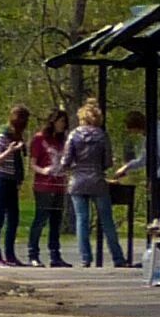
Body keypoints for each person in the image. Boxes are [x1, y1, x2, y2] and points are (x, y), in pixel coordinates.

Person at [62, 100, 116, 268]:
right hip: (97, 180)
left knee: (82, 220)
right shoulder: (102, 135)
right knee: (107, 220)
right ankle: (117, 256)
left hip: (77, 181)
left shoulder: (73, 135)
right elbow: (108, 162)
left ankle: (86, 258)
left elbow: (65, 161)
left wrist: (73, 167)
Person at [0, 106, 31, 267]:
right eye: (21, 120)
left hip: (12, 182)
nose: (24, 123)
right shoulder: (3, 134)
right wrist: (10, 151)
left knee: (13, 218)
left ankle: (10, 255)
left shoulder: (18, 135)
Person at [27, 107, 71, 267]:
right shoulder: (39, 139)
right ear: (52, 121)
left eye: (65, 122)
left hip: (59, 184)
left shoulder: (63, 141)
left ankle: (55, 255)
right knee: (40, 219)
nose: (62, 125)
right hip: (43, 185)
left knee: (56, 221)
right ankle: (33, 253)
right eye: (60, 121)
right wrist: (43, 170)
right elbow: (32, 163)